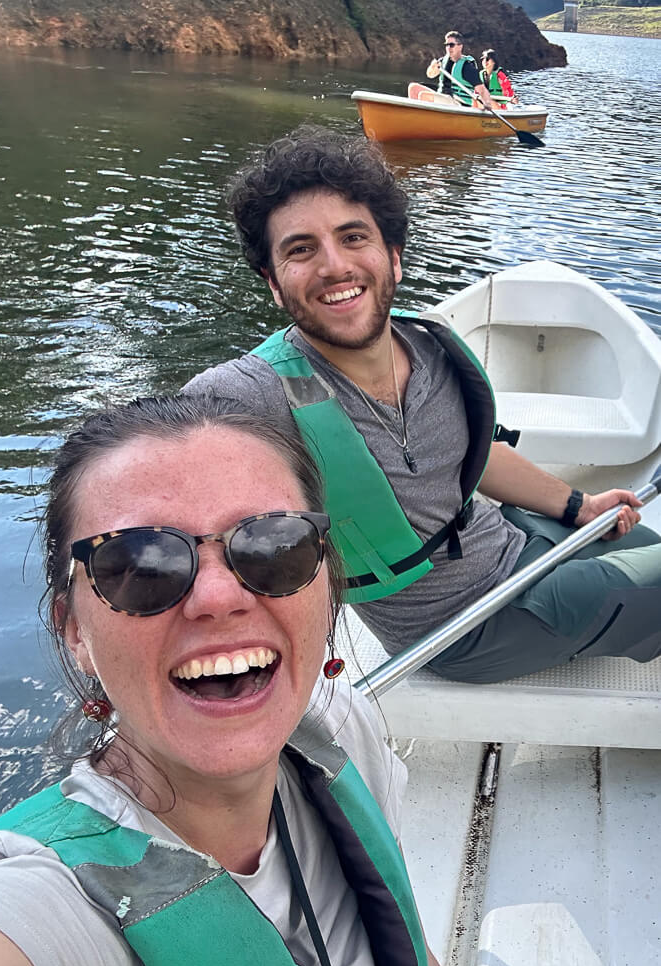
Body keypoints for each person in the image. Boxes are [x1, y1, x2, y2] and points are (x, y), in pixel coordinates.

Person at [0, 395, 457, 966]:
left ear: (326, 583)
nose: (217, 597)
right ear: (75, 631)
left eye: (275, 545)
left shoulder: (345, 730)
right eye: (140, 565)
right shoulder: (41, 910)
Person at [183, 126, 661, 684]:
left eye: (353, 237)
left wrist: (580, 505)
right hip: (464, 626)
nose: (334, 265)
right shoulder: (250, 393)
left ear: (394, 257)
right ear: (272, 282)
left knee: (645, 548)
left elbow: (476, 455)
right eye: (301, 249)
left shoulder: (432, 348)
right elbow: (139, 468)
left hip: (513, 541)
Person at [425, 31, 492, 108]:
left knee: (424, 95)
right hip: (445, 97)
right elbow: (430, 75)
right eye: (447, 45)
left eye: (451, 45)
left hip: (460, 102)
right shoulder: (442, 61)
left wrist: (487, 103)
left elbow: (482, 89)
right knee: (414, 88)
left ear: (460, 46)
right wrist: (432, 67)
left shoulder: (466, 67)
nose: (448, 48)